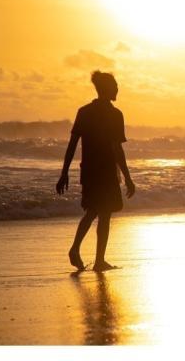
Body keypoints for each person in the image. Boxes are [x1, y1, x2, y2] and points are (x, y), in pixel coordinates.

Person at [56, 71, 135, 272]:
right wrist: (128, 178)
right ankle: (93, 258)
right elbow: (117, 149)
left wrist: (64, 173)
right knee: (101, 212)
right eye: (115, 86)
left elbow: (72, 145)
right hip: (105, 171)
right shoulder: (114, 114)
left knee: (94, 211)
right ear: (106, 88)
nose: (117, 89)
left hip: (92, 170)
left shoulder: (85, 112)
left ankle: (84, 253)